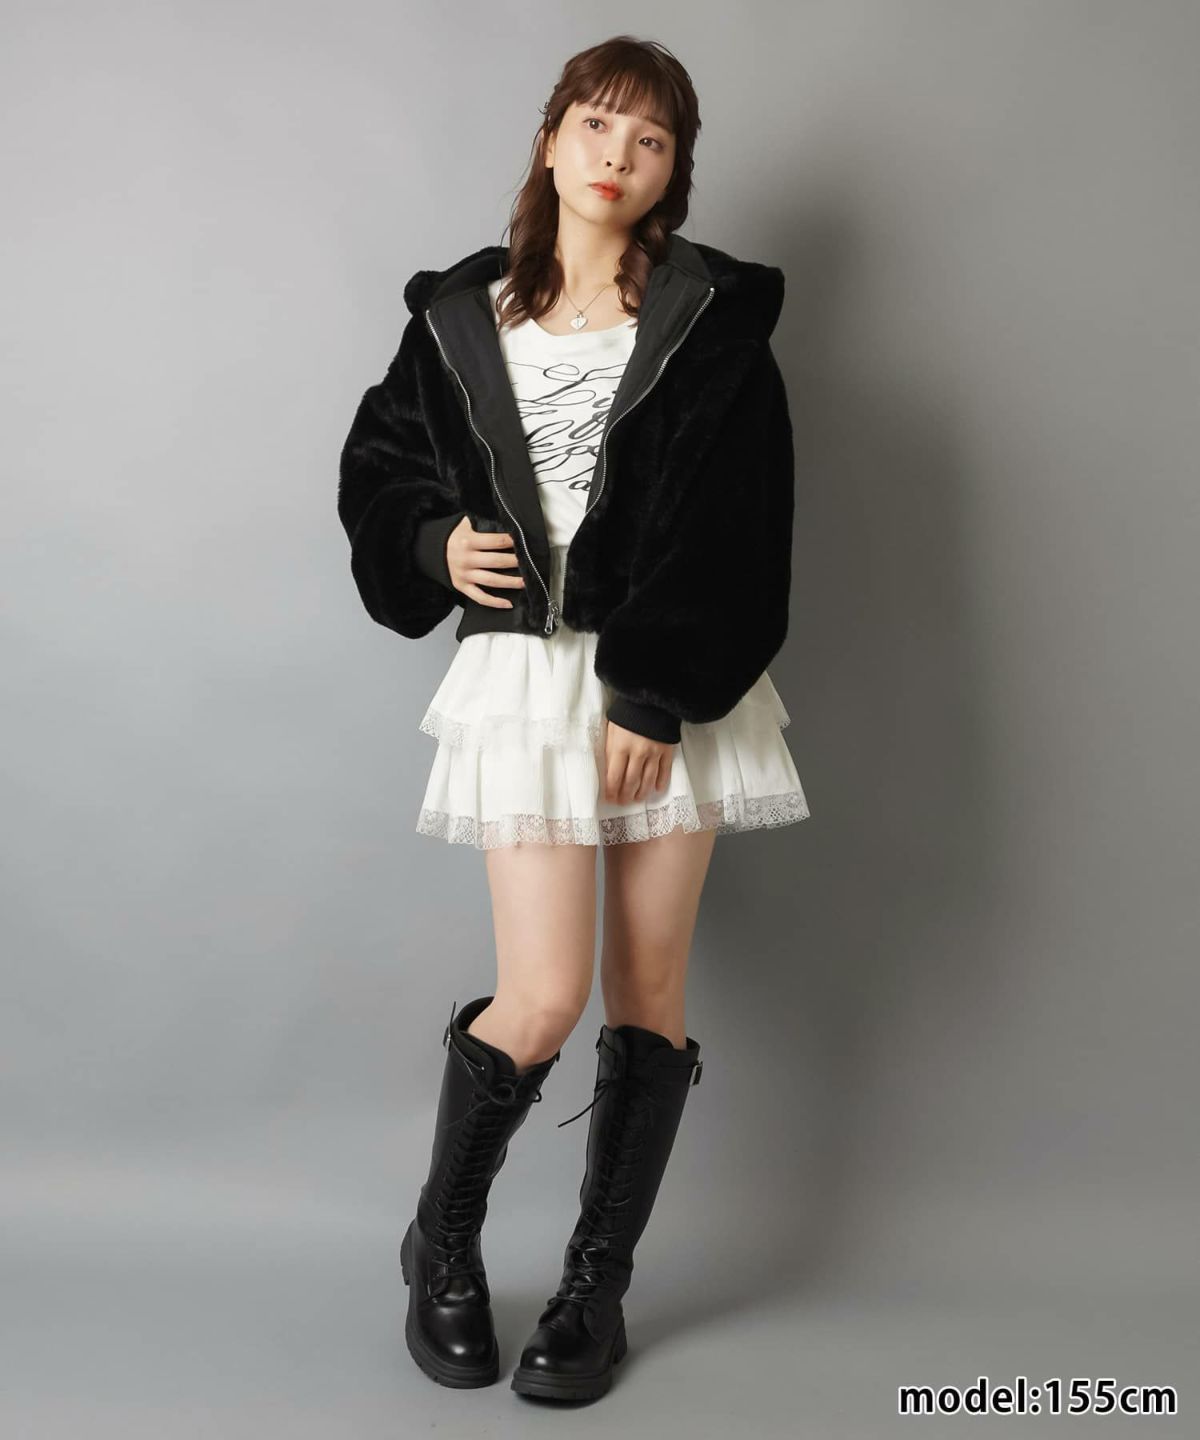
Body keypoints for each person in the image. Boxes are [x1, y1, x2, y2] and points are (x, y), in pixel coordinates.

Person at [337, 34, 810, 1402]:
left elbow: (746, 527)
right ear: (551, 139)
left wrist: (655, 693)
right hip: (524, 683)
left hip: (666, 682)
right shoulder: (459, 317)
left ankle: (595, 1289)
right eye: (598, 125)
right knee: (541, 995)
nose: (618, 156)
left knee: (646, 996)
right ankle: (441, 1245)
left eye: (650, 140)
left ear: (673, 174)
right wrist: (430, 544)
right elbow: (378, 470)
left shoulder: (712, 325)